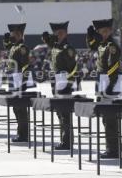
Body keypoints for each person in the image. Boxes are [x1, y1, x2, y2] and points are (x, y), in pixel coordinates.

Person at [86, 19, 121, 158]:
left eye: (106, 31)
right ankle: (111, 147)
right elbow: (91, 45)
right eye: (101, 32)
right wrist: (90, 35)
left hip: (109, 85)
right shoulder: (102, 44)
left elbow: (113, 67)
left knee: (110, 118)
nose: (104, 34)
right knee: (105, 118)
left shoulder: (111, 46)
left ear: (110, 31)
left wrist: (109, 87)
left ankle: (113, 150)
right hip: (102, 83)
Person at [42, 21, 78, 150]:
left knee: (65, 113)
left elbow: (73, 68)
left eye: (61, 33)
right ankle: (64, 139)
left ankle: (67, 141)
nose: (58, 35)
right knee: (59, 112)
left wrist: (69, 83)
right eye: (56, 33)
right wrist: (47, 40)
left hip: (64, 82)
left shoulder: (68, 48)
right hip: (55, 82)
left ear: (66, 33)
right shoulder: (55, 47)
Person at [4, 23, 30, 142]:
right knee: (15, 107)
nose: (11, 36)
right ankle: (20, 133)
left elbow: (25, 66)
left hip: (18, 80)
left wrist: (23, 82)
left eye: (13, 34)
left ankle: (23, 135)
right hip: (12, 79)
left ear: (19, 34)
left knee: (20, 107)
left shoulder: (22, 48)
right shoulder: (13, 47)